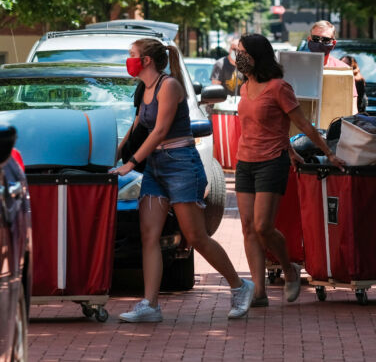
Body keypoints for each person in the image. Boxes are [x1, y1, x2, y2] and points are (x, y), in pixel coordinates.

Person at [112, 38, 255, 322]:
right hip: (157, 167)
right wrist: (114, 154)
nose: (128, 60)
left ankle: (240, 286)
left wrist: (130, 163)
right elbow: (139, 125)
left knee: (195, 237)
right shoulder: (146, 88)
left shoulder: (170, 86)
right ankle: (150, 305)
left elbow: (160, 130)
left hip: (181, 165)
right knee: (149, 235)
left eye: (131, 55)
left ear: (147, 60)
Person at [234, 34, 346, 307]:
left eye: (242, 52)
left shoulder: (279, 87)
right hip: (244, 162)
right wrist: (291, 149)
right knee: (249, 228)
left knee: (263, 227)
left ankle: (289, 268)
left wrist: (329, 153)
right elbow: (265, 127)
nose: (237, 57)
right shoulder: (245, 86)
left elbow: (303, 125)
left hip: (271, 162)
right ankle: (259, 293)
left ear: (256, 55)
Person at [306, 20, 358, 114]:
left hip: (332, 124)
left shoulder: (344, 70)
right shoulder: (296, 66)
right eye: (316, 38)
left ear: (333, 43)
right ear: (309, 40)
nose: (320, 42)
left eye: (325, 40)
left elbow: (352, 108)